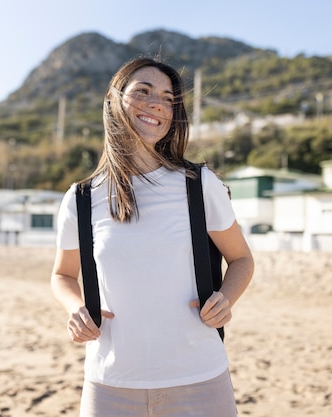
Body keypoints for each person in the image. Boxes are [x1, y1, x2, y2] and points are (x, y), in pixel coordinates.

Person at [51, 56, 254, 417]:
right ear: (114, 99)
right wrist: (75, 309)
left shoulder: (199, 186)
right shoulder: (81, 199)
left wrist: (227, 298)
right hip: (109, 382)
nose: (156, 104)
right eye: (142, 92)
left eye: (167, 98)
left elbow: (241, 259)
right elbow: (63, 275)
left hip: (200, 378)